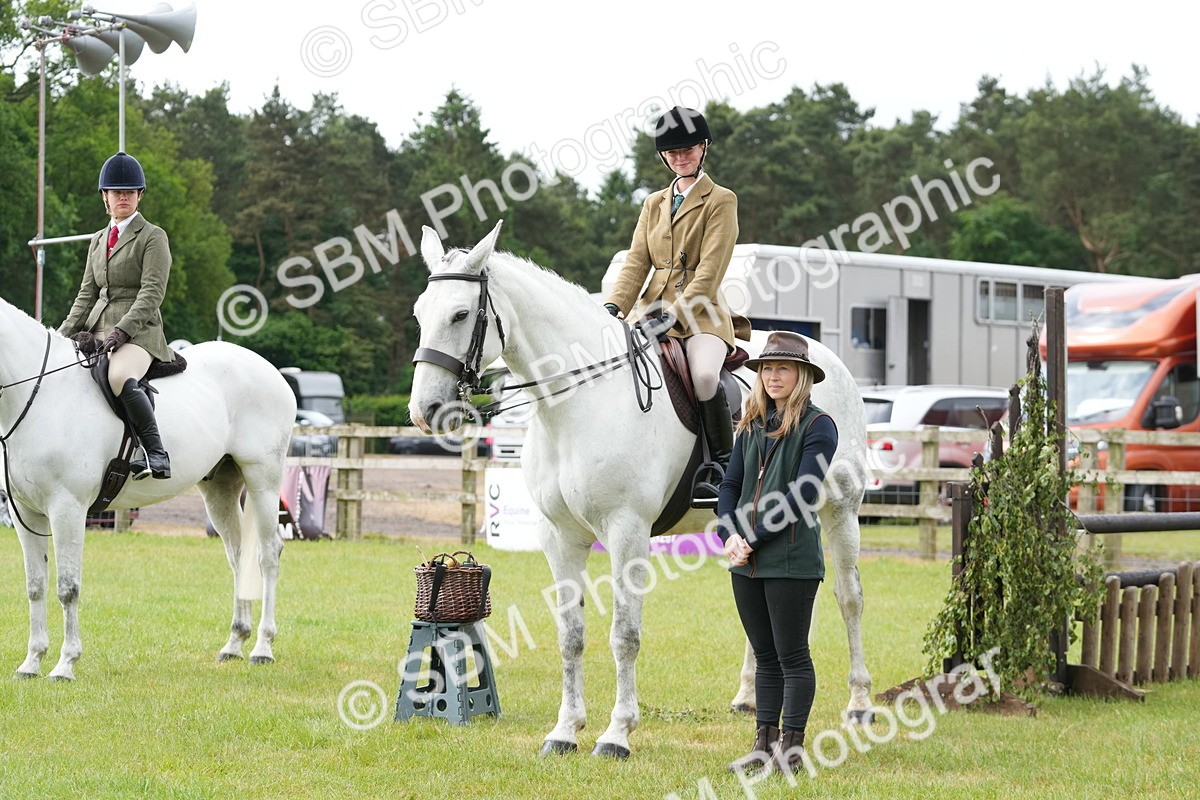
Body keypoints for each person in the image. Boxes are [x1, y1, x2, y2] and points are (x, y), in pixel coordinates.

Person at [603, 105, 749, 498]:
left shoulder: (721, 200)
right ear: (663, 156)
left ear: (703, 148)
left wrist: (674, 315)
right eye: (672, 152)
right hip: (649, 313)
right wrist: (615, 305)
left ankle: (721, 467)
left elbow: (710, 272)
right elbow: (637, 261)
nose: (680, 157)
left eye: (688, 149)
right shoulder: (653, 203)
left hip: (702, 316)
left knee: (704, 377)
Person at [716, 330, 835, 776]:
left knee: (792, 657)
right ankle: (762, 745)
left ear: (802, 374)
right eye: (767, 368)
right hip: (745, 562)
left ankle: (792, 750)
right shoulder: (751, 423)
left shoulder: (819, 425)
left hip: (791, 558)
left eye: (783, 368)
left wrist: (753, 538)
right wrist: (729, 535)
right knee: (765, 656)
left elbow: (802, 494)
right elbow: (729, 486)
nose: (773, 376)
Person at [59, 151, 175, 480]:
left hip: (138, 332)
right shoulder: (97, 240)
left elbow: (152, 292)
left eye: (129, 191)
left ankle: (154, 452)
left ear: (139, 196)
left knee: (119, 376)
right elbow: (86, 294)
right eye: (116, 192)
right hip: (96, 327)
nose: (123, 197)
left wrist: (123, 330)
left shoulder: (153, 237)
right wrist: (60, 335)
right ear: (105, 197)